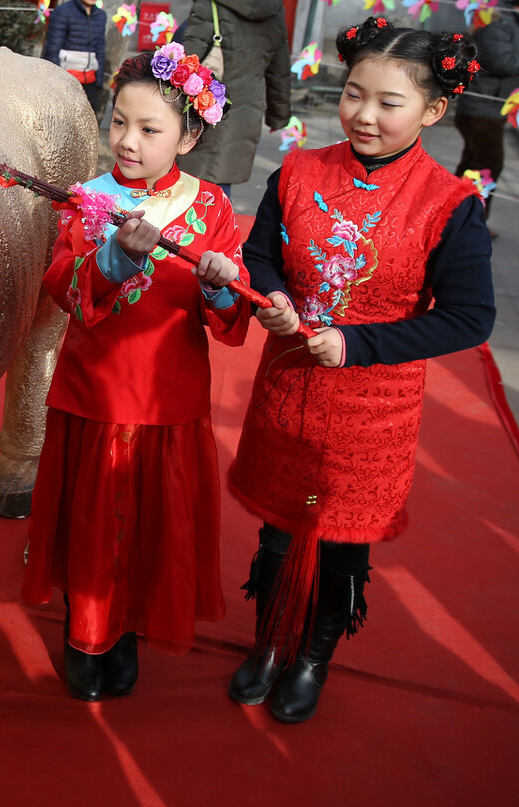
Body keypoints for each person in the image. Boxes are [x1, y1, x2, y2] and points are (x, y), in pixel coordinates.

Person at [228, 16, 496, 724]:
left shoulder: (451, 205)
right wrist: (275, 297)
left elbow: (471, 317)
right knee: (278, 532)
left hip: (374, 407)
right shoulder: (299, 171)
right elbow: (261, 256)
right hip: (288, 386)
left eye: (388, 101)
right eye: (354, 94)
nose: (364, 114)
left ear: (434, 110)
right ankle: (268, 641)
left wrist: (356, 344)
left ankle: (314, 654)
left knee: (344, 542)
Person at [22, 47, 250, 701]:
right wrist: (116, 260)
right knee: (93, 527)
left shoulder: (210, 207)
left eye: (149, 130)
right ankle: (85, 635)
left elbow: (231, 313)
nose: (126, 140)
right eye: (118, 121)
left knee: (149, 528)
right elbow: (63, 285)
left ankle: (125, 632)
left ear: (191, 134)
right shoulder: (89, 200)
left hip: (168, 399)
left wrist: (222, 286)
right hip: (94, 393)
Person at [176, 0, 291, 197]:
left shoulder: (210, 5)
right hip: (244, 113)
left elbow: (187, 61)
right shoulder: (273, 8)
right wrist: (278, 116)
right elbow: (278, 70)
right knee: (221, 183)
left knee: (186, 183)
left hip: (204, 106)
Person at [454, 0, 519, 234]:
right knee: (488, 166)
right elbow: (502, 62)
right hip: (482, 109)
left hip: (490, 109)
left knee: (473, 164)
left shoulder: (507, 22)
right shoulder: (499, 23)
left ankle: (454, 215)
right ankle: (472, 224)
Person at [42, 0, 109, 123]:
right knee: (63, 122)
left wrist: (99, 81)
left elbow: (100, 49)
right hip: (66, 81)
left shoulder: (101, 15)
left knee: (88, 123)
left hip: (90, 81)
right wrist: (55, 82)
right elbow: (52, 49)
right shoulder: (63, 11)